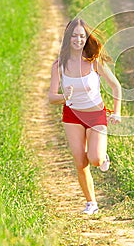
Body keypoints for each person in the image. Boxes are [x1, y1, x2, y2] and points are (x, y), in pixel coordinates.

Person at [49, 17, 121, 215]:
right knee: (80, 162)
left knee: (95, 159)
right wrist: (65, 97)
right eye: (74, 36)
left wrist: (117, 112)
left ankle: (101, 155)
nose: (78, 40)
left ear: (86, 38)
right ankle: (91, 203)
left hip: (95, 115)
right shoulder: (59, 65)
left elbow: (116, 86)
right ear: (67, 38)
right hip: (72, 115)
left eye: (82, 36)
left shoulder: (93, 61)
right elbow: (51, 97)